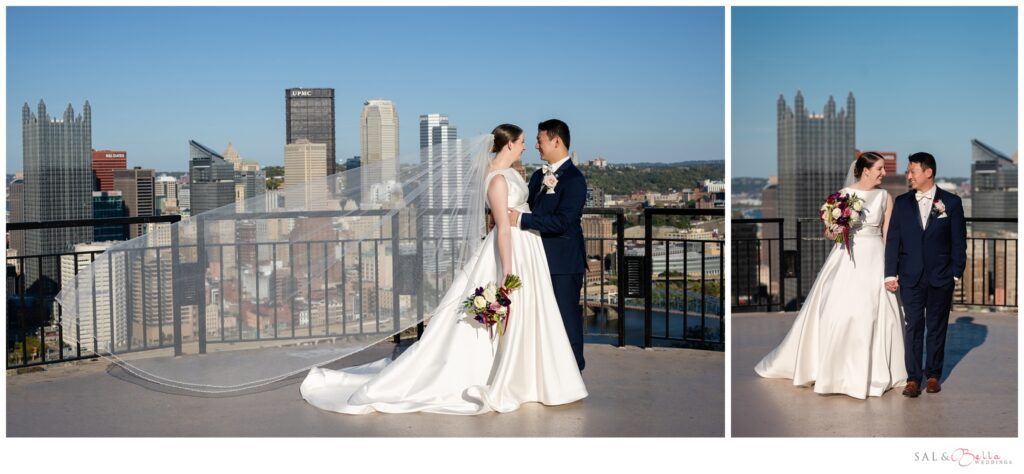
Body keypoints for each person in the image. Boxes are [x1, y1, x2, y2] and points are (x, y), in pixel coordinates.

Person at [299, 124, 587, 414]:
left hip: (529, 250)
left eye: (534, 140)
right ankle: (518, 377)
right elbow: (503, 227)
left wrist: (517, 221)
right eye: (524, 141)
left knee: (537, 316)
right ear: (509, 144)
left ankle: (535, 376)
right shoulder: (500, 178)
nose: (529, 146)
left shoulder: (524, 175)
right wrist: (507, 272)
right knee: (517, 315)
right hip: (515, 250)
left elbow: (538, 214)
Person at [754, 152, 908, 399]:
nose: (884, 172)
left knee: (875, 311)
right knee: (839, 310)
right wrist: (837, 228)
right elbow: (829, 233)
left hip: (876, 256)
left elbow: (889, 234)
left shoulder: (885, 197)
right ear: (865, 170)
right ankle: (836, 369)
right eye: (880, 168)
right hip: (847, 256)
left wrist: (893, 267)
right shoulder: (842, 196)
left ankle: (876, 371)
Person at [884, 152, 966, 397]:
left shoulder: (951, 202)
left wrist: (955, 273)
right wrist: (890, 273)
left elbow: (958, 241)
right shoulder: (902, 203)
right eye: (908, 171)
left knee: (937, 327)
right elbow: (893, 240)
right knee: (914, 327)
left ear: (928, 172)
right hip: (910, 275)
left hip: (941, 276)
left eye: (913, 171)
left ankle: (933, 376)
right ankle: (913, 378)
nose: (909, 176)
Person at [508, 119, 588, 371]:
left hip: (563, 262)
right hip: (536, 259)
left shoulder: (574, 180)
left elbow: (563, 222)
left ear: (556, 141)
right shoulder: (537, 176)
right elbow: (529, 205)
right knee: (542, 321)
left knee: (566, 319)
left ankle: (574, 371)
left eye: (539, 140)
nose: (536, 145)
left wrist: (521, 219)